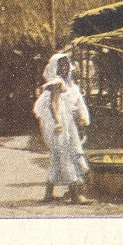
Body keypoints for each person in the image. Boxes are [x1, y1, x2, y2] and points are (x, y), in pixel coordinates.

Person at [33, 53, 92, 204]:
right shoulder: (57, 82)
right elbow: (54, 103)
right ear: (55, 67)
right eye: (61, 65)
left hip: (65, 119)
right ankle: (75, 194)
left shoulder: (67, 83)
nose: (65, 68)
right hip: (59, 120)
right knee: (66, 153)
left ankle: (48, 194)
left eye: (66, 64)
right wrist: (58, 122)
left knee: (59, 157)